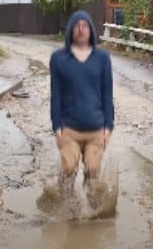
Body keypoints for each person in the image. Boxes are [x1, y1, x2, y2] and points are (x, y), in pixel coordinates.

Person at [49, 10, 114, 208]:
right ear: (70, 30)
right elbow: (56, 94)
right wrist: (56, 126)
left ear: (91, 30)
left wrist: (108, 126)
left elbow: (107, 94)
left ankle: (94, 213)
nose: (81, 29)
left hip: (96, 129)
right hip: (69, 129)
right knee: (68, 168)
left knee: (93, 172)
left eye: (85, 25)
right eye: (77, 25)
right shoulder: (59, 58)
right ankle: (67, 208)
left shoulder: (102, 58)